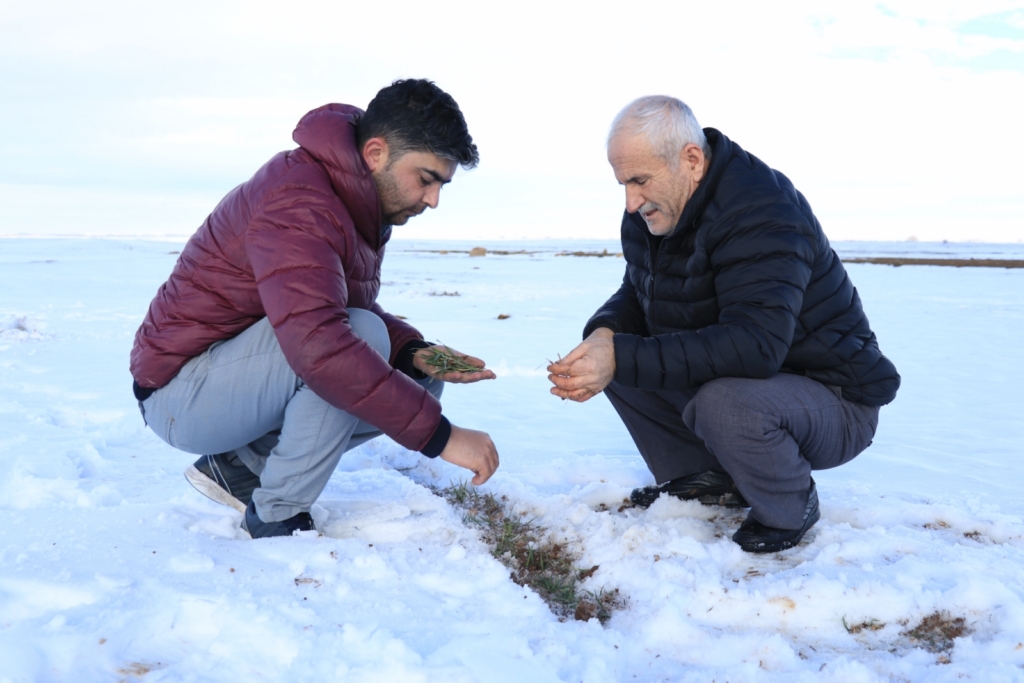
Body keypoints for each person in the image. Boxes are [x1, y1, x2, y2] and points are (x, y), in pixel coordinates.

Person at [131, 79, 499, 538]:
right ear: (376, 153)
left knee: (413, 379)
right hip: (179, 393)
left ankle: (240, 469)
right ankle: (276, 515)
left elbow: (329, 308)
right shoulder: (300, 199)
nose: (433, 200)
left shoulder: (349, 201)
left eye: (442, 185)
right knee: (352, 344)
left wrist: (412, 352)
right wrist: (442, 438)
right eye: (426, 179)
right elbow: (321, 343)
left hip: (230, 378)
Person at [548, 96, 899, 553]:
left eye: (639, 180)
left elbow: (756, 345)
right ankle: (707, 477)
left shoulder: (762, 210)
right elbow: (639, 294)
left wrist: (621, 354)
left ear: (691, 160)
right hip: (760, 384)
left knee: (721, 401)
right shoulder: (654, 210)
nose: (631, 201)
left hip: (833, 399)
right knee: (616, 354)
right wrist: (603, 335)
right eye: (623, 183)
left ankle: (788, 503)